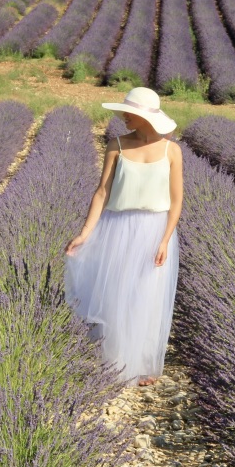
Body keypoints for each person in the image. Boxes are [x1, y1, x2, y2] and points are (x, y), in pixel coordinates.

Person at [64, 87, 183, 386]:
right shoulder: (116, 145)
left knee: (146, 295)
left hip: (153, 230)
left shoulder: (172, 151)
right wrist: (85, 233)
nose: (123, 117)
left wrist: (165, 239)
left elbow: (176, 201)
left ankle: (141, 364)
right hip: (117, 227)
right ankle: (115, 361)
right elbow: (102, 192)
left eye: (129, 113)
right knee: (116, 292)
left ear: (144, 117)